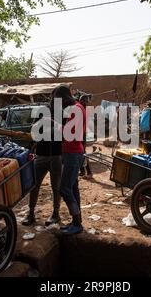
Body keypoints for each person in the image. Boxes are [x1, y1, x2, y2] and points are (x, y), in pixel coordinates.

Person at [22, 91, 63, 226]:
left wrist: (51, 123)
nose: (55, 100)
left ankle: (56, 214)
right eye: (54, 97)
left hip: (56, 155)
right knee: (34, 185)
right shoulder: (41, 111)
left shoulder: (63, 113)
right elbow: (33, 131)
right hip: (41, 154)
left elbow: (64, 134)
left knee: (56, 187)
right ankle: (31, 213)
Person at [53, 85, 86, 235]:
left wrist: (57, 126)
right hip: (73, 152)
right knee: (73, 187)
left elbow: (69, 134)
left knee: (64, 189)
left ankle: (77, 222)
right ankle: (76, 221)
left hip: (73, 153)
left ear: (64, 98)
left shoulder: (75, 110)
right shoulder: (78, 107)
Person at [78, 94, 93, 179]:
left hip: (82, 134)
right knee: (81, 153)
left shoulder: (83, 110)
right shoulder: (82, 109)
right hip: (81, 134)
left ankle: (89, 172)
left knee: (83, 153)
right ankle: (83, 171)